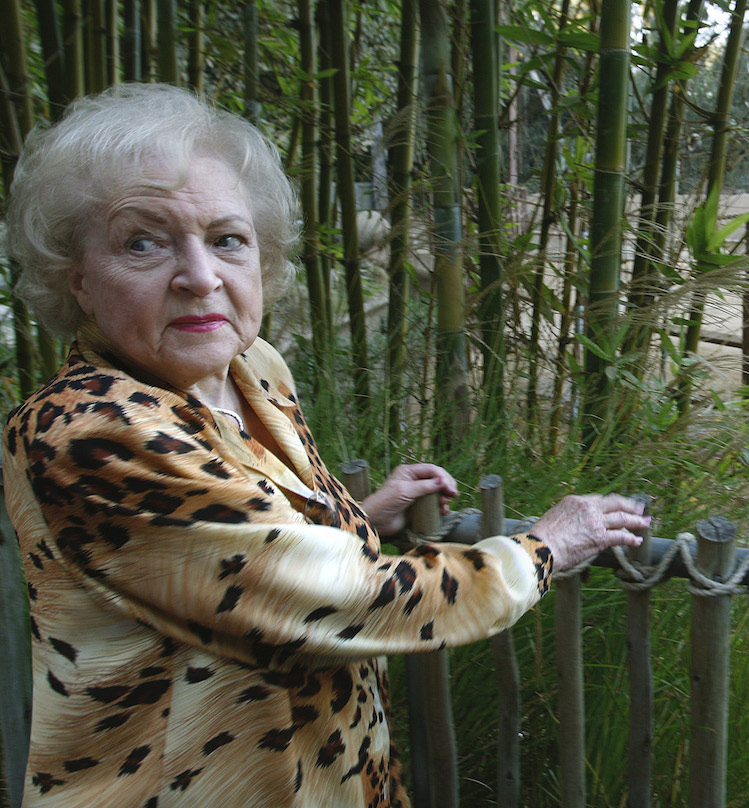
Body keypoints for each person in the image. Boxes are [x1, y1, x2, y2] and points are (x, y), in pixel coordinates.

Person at [1, 83, 648, 808]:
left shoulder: (251, 368)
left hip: (332, 775)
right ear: (78, 279)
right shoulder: (88, 435)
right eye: (142, 243)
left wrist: (358, 519)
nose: (201, 277)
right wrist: (543, 549)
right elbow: (343, 603)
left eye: (227, 239)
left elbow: (244, 557)